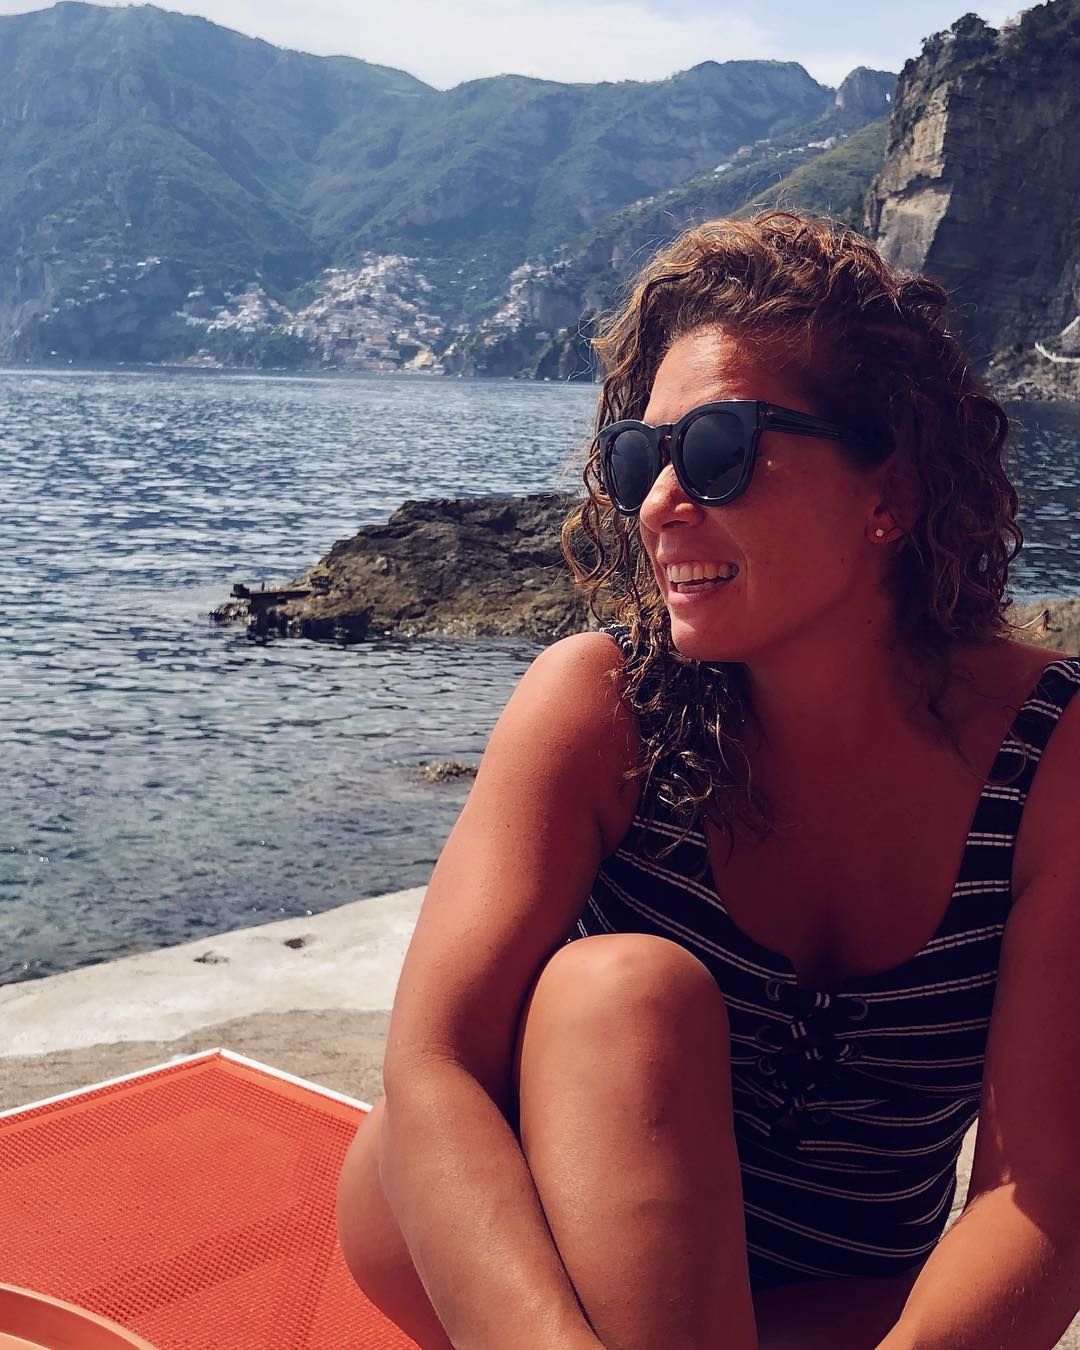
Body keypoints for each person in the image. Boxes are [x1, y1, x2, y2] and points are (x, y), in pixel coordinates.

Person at [335, 210, 1080, 1350]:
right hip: (518, 1257)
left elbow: (1042, 1196)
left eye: (720, 450)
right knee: (619, 992)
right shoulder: (601, 705)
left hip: (834, 1298)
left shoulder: (1053, 762)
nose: (657, 504)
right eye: (641, 458)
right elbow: (432, 1069)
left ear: (890, 493)